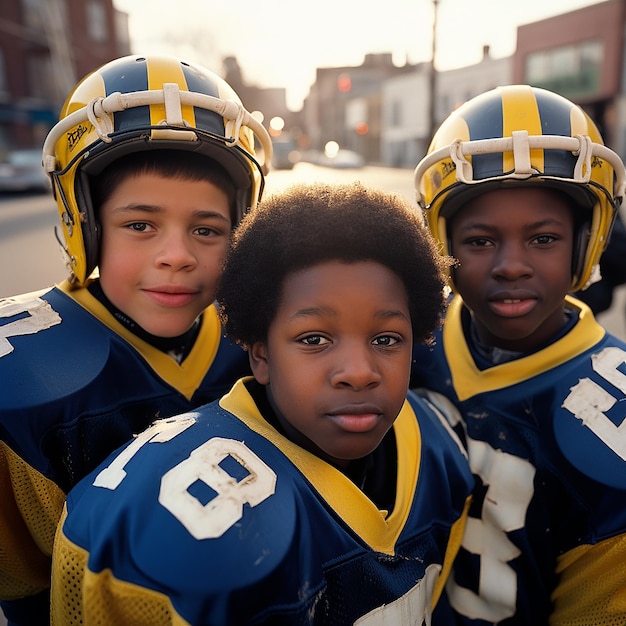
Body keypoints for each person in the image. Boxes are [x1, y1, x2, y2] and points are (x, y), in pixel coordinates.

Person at [49, 182, 474, 625]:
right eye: (314, 339)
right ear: (261, 355)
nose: (359, 371)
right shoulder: (162, 522)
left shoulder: (437, 447)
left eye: (386, 339)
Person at [0, 54, 273, 625]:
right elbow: (26, 592)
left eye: (206, 229)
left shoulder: (263, 337)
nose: (176, 255)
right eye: (140, 225)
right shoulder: (22, 371)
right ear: (86, 222)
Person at [411, 84, 626, 625]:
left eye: (543, 239)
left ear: (586, 240)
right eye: (480, 241)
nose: (511, 265)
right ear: (444, 244)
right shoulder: (406, 340)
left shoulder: (611, 406)